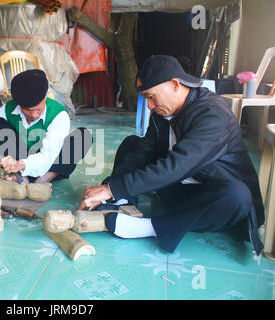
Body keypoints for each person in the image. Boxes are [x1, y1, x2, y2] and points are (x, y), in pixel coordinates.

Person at [79, 55, 265, 255]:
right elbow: (144, 152)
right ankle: (123, 201)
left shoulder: (213, 114)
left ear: (175, 85)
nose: (149, 105)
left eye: (151, 96)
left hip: (211, 197)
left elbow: (177, 166)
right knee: (133, 144)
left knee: (237, 195)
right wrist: (113, 188)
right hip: (180, 189)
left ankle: (151, 227)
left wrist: (111, 188)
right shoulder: (162, 112)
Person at [0, 69, 92, 184]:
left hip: (50, 165)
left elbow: (47, 157)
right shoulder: (8, 109)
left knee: (83, 136)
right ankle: (23, 177)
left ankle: (41, 181)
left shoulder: (59, 115)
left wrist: (20, 165)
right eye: (27, 110)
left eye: (38, 109)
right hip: (19, 159)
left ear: (45, 97)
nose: (34, 115)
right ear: (19, 104)